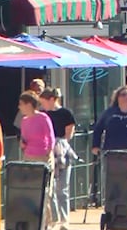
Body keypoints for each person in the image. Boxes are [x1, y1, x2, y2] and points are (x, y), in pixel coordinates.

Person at [18, 91, 56, 230]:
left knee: (45, 191)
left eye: (21, 104)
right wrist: (23, 144)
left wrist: (48, 153)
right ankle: (33, 221)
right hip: (29, 157)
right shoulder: (24, 121)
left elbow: (50, 137)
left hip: (44, 158)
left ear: (29, 104)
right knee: (30, 191)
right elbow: (24, 138)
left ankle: (46, 223)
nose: (19, 107)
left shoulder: (43, 117)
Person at [40, 88, 77, 230]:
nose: (43, 106)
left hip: (62, 151)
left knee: (62, 188)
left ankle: (64, 219)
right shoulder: (43, 115)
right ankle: (53, 219)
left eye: (44, 102)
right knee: (51, 188)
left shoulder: (66, 114)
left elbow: (69, 135)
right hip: (48, 151)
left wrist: (59, 146)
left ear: (52, 99)